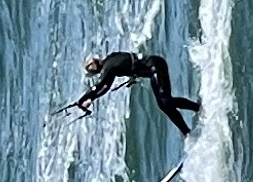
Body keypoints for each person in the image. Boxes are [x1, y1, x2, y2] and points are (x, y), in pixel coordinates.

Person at [70, 49, 200, 135]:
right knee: (164, 103)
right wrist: (91, 99)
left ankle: (195, 113)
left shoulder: (108, 69)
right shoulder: (110, 58)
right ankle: (188, 129)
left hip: (155, 67)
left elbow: (98, 87)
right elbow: (106, 87)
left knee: (165, 102)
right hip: (156, 64)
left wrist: (82, 101)